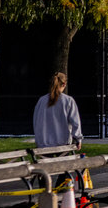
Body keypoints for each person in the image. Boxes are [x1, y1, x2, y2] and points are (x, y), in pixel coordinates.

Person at [33, 73, 84, 208]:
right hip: (62, 145)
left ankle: (46, 196)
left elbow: (36, 121)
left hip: (43, 144)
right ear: (64, 84)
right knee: (65, 172)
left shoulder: (41, 101)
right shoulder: (68, 101)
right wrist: (78, 138)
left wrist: (39, 139)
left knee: (44, 173)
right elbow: (75, 122)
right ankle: (57, 196)